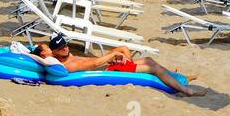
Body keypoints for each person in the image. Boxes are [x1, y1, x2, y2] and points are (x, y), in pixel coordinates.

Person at [36, 35, 206, 97]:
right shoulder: (68, 65)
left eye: (65, 44)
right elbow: (94, 63)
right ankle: (186, 90)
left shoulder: (64, 57)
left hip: (107, 64)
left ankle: (176, 76)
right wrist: (112, 56)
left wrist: (45, 50)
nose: (65, 48)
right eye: (61, 47)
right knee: (151, 64)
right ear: (54, 52)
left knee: (144, 59)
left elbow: (40, 50)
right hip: (108, 69)